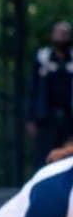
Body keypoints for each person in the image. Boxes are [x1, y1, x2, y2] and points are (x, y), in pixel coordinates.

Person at [27, 21, 73, 168]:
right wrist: (31, 118)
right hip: (46, 120)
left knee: (66, 157)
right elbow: (32, 89)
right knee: (44, 158)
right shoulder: (42, 58)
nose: (62, 37)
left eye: (65, 34)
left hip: (69, 119)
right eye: (59, 33)